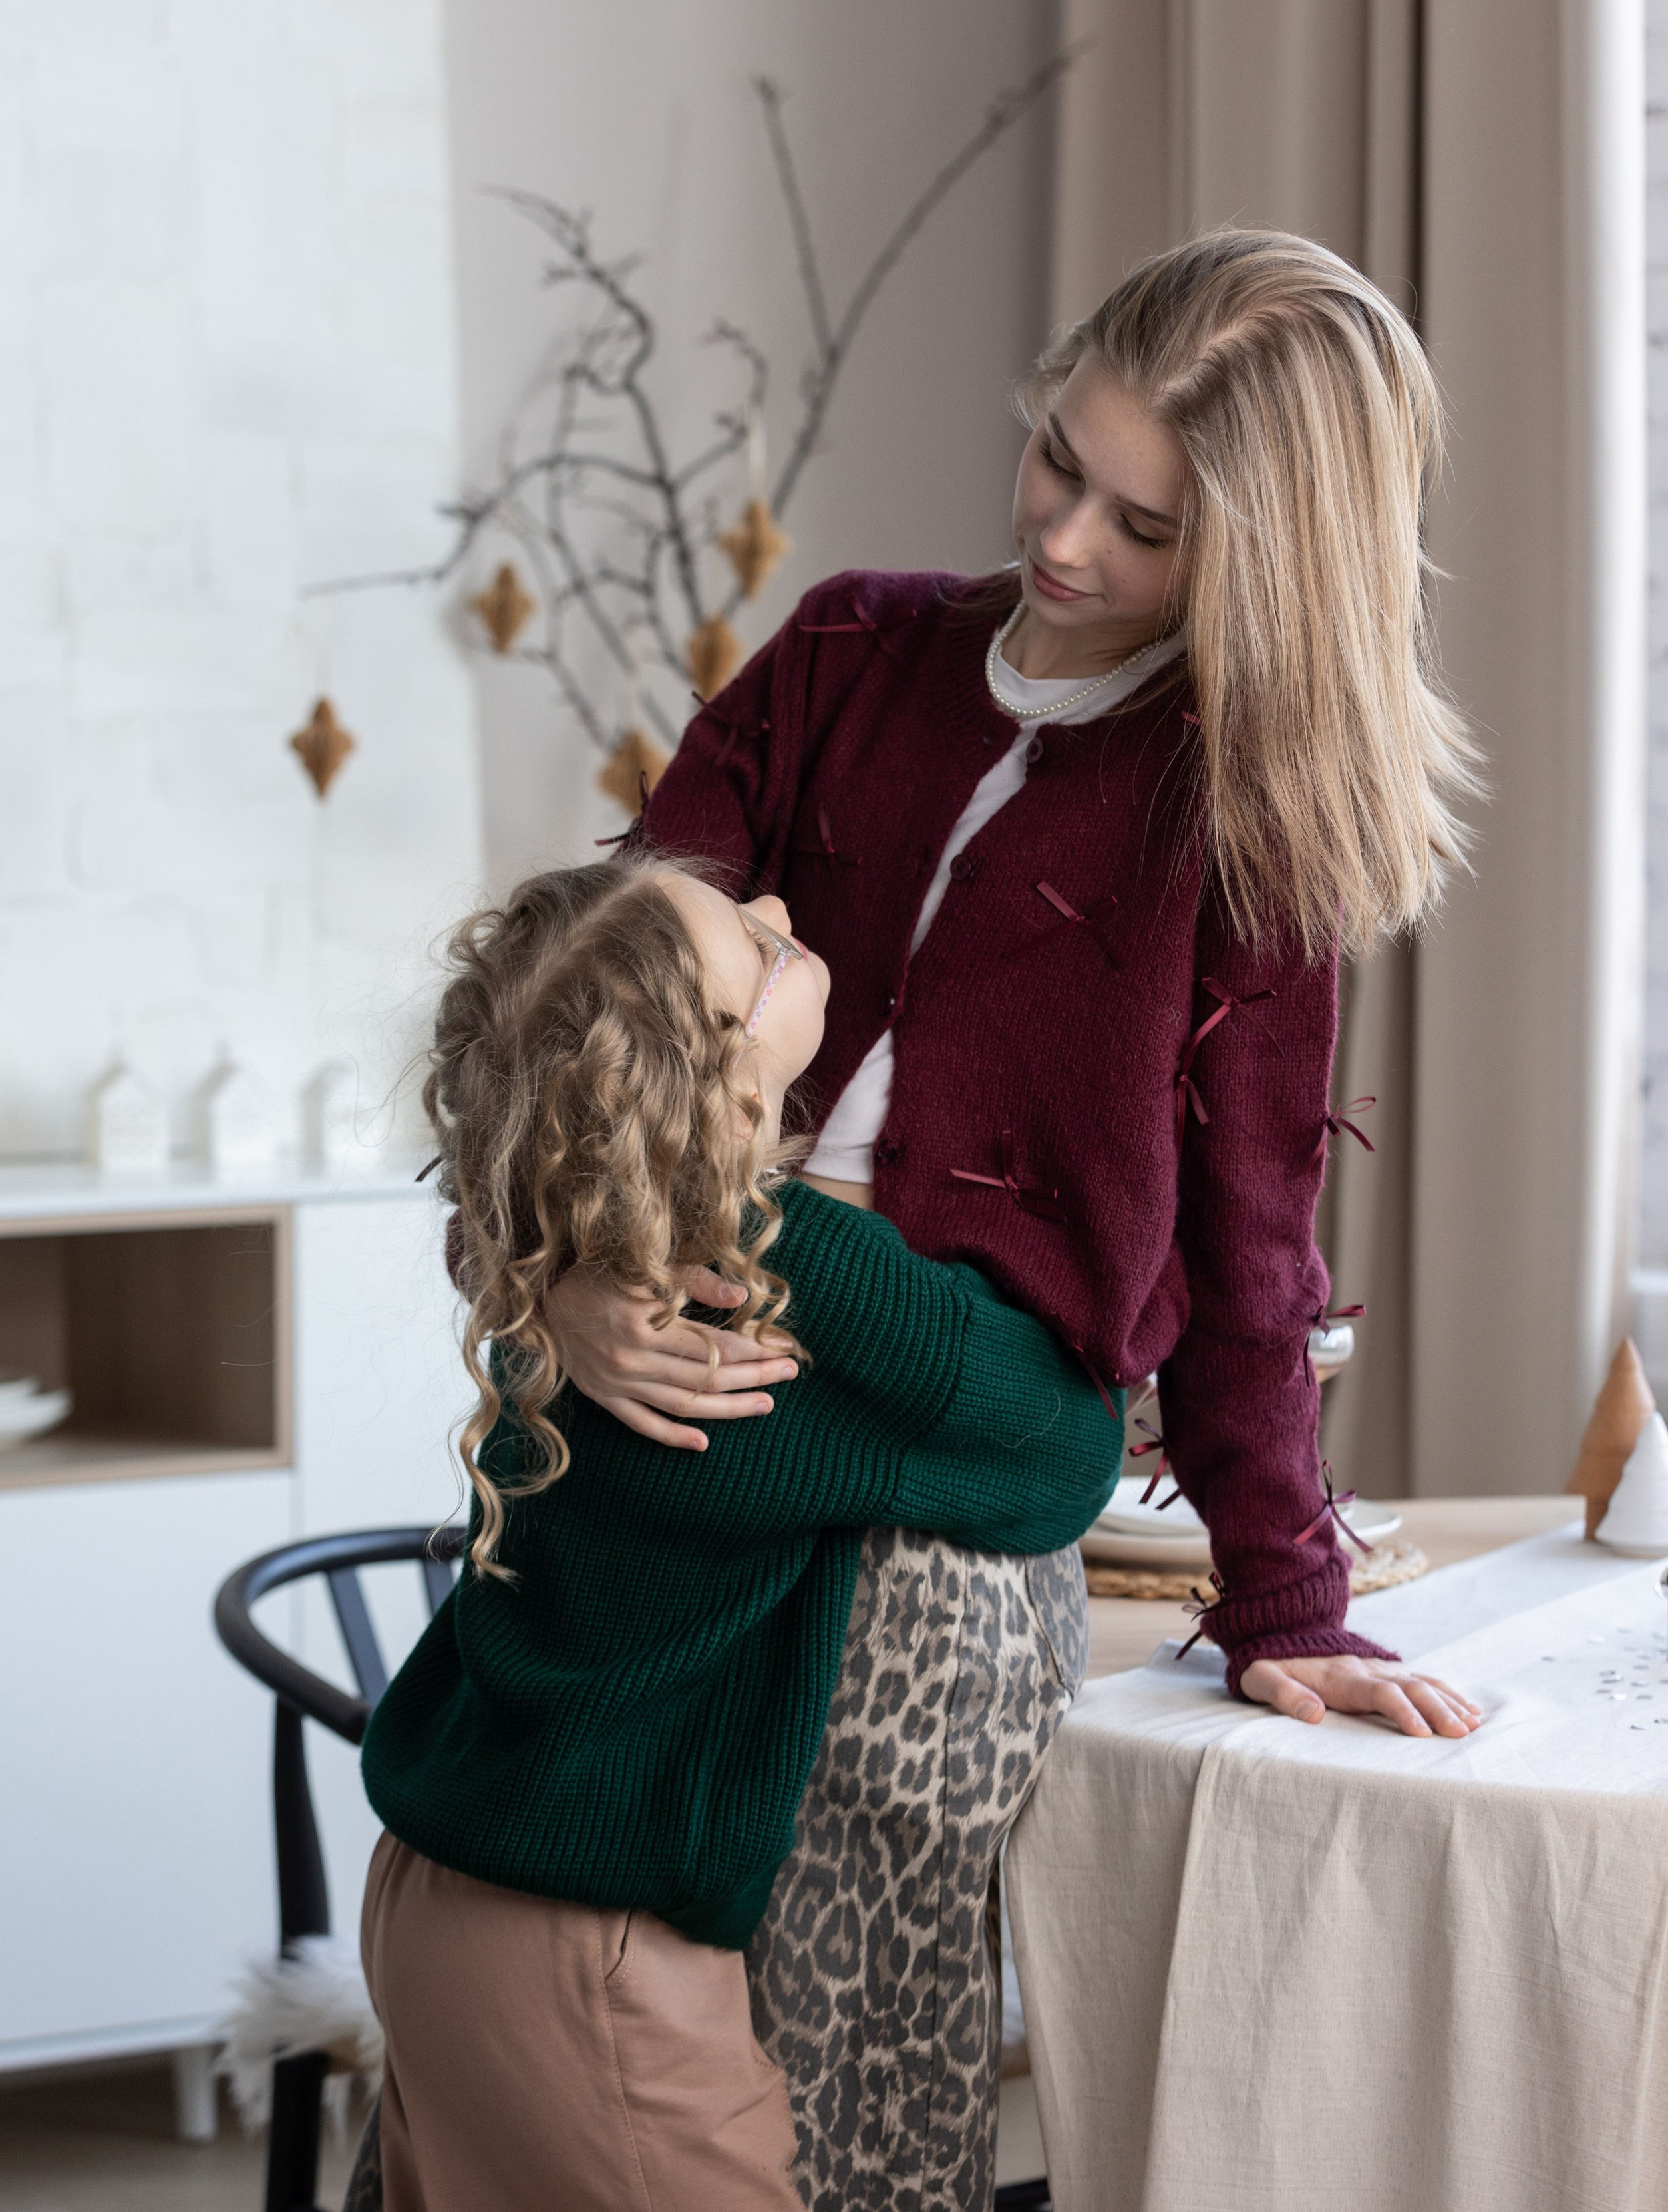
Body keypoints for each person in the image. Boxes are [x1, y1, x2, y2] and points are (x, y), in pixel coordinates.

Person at [533, 228, 1485, 2208]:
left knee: (845, 2136)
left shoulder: (1247, 810)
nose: (1064, 538)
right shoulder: (846, 654)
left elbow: (1250, 1241)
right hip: (660, 1424)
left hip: (935, 1545)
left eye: (1144, 525)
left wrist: (1283, 1591)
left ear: (1260, 556)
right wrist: (561, 1289)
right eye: (1059, 457)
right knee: (547, 2040)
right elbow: (590, 1011)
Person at [354, 854, 1130, 2212]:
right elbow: (1063, 1455)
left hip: (437, 1897)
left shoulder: (568, 1237)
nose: (780, 912)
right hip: (578, 1956)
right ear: (715, 1079)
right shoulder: (770, 1299)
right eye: (750, 942)